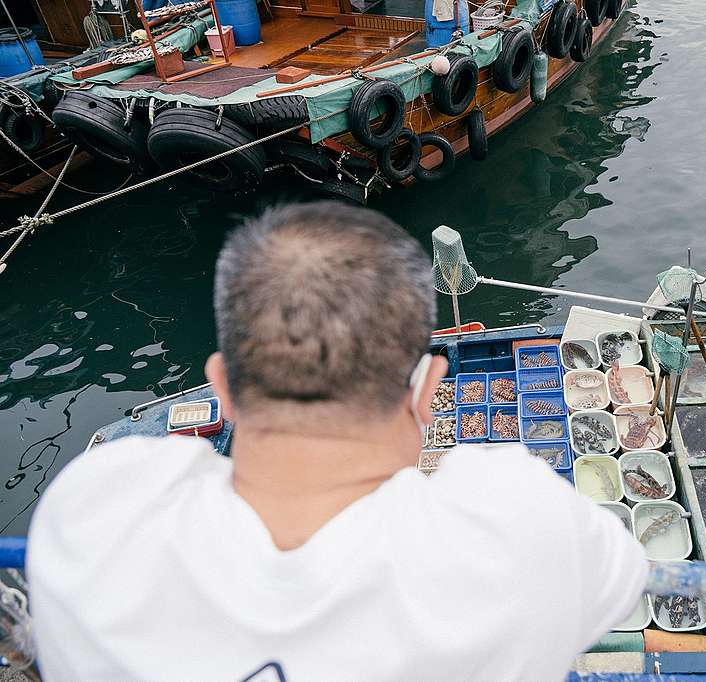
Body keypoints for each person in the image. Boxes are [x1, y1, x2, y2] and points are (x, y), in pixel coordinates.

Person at [27, 202, 648, 681]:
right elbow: (617, 586)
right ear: (429, 387)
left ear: (221, 385)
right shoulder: (520, 516)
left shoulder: (91, 511)